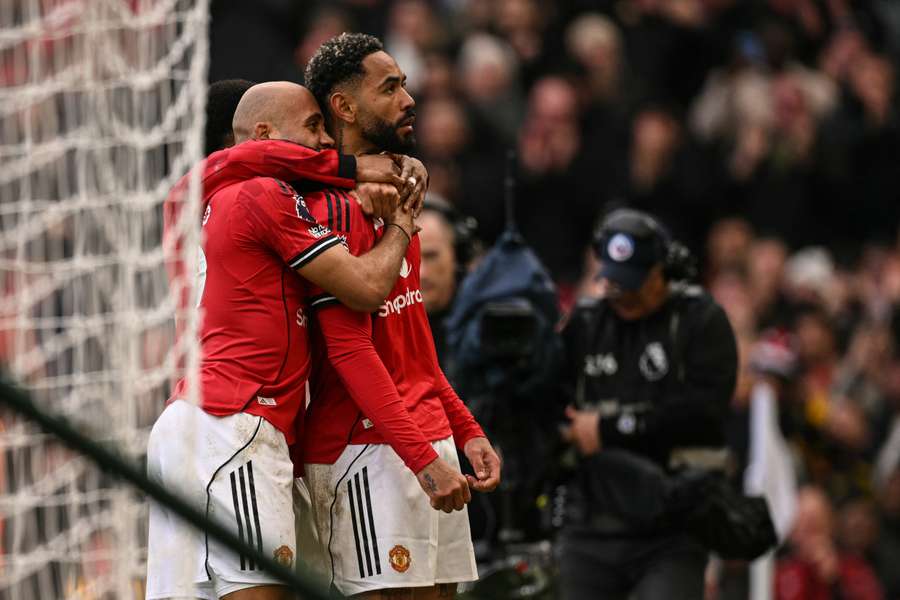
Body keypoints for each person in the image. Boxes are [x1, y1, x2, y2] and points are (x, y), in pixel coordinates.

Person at [146, 81, 416, 600]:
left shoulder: (192, 197)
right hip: (240, 418)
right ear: (263, 136)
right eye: (314, 128)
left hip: (191, 419)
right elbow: (363, 288)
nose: (325, 144)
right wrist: (398, 222)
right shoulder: (264, 194)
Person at [299, 33, 502, 598]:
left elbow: (411, 343)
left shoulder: (399, 201)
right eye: (389, 89)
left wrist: (462, 428)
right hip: (367, 450)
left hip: (423, 437)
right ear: (343, 107)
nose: (408, 100)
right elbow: (350, 351)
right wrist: (421, 457)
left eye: (405, 86)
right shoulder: (331, 207)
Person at [559, 208, 738, 600]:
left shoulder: (700, 321)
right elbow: (556, 400)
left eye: (635, 283)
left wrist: (608, 428)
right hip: (592, 523)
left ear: (665, 270)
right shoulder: (588, 322)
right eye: (613, 281)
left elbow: (702, 414)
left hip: (673, 527)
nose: (622, 294)